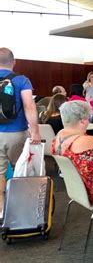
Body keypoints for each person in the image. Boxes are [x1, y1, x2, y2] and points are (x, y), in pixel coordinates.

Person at [0, 48, 41, 219]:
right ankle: (25, 209)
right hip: (17, 133)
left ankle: (2, 211)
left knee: (0, 173)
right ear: (14, 61)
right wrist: (35, 132)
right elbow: (29, 106)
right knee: (23, 169)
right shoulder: (21, 80)